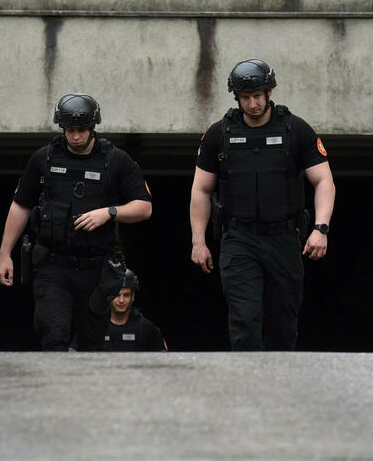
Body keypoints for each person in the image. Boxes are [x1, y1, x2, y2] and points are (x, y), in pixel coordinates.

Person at [190, 60, 335, 351]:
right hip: (239, 238)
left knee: (283, 322)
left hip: (284, 238)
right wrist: (198, 242)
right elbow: (201, 190)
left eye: (258, 96)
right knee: (244, 319)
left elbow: (324, 181)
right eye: (245, 98)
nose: (253, 104)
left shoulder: (296, 130)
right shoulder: (219, 134)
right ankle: (248, 377)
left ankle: (280, 377)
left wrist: (321, 229)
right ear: (236, 98)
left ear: (269, 92)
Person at [0, 93, 153, 351]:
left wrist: (109, 212)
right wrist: (5, 254)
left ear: (92, 128)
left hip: (96, 269)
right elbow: (21, 205)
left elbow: (144, 207)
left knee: (92, 345)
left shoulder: (116, 160)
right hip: (53, 266)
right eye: (70, 130)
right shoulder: (44, 158)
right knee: (54, 335)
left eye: (82, 130)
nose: (76, 136)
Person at [103, 269, 168, 351]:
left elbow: (163, 357)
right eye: (116, 295)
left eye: (126, 295)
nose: (121, 300)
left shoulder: (146, 328)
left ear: (132, 296)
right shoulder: (95, 327)